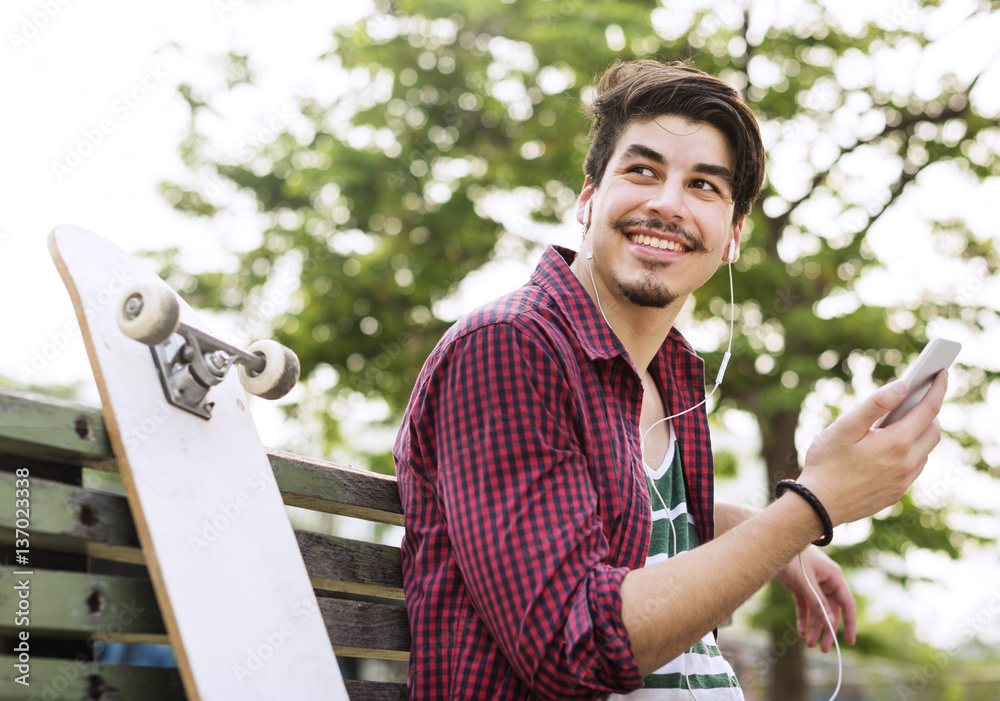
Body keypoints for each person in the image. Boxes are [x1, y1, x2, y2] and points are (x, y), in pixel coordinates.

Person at [392, 59, 947, 699]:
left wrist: (746, 526)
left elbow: (611, 504)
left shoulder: (667, 370)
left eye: (704, 187)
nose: (666, 203)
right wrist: (809, 508)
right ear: (587, 197)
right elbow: (573, 648)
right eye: (642, 171)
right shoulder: (511, 348)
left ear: (733, 237)